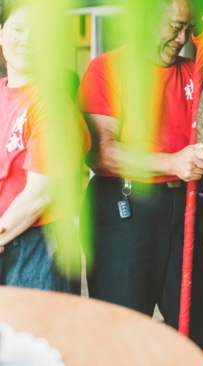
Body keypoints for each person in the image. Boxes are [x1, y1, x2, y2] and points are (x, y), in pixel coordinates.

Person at [77, 0, 203, 348]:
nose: (183, 37)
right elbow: (100, 153)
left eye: (189, 28)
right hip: (126, 208)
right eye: (175, 26)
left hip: (184, 207)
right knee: (121, 326)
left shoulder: (196, 73)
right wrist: (172, 163)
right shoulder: (108, 68)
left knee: (195, 325)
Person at [0, 0, 90, 292]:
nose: (27, 40)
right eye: (18, 28)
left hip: (39, 244)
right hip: (6, 235)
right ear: (1, 33)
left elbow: (40, 194)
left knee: (38, 335)